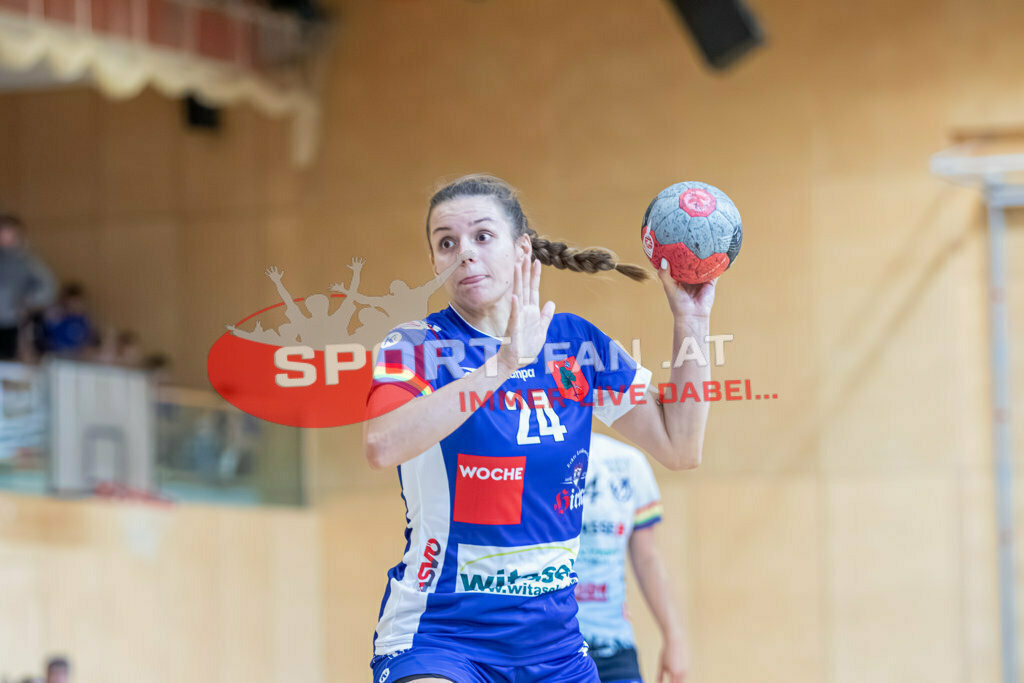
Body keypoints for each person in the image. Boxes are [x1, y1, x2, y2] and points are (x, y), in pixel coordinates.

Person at [364, 174, 716, 683]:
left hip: (554, 650)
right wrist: (504, 362)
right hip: (440, 637)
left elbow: (680, 445)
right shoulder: (414, 345)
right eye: (447, 243)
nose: (464, 253)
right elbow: (382, 444)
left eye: (482, 236)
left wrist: (691, 321)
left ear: (522, 249)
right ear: (434, 263)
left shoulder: (574, 342)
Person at [576, 433, 690, 683]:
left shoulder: (628, 462)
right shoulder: (526, 459)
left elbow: (647, 557)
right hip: (545, 647)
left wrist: (674, 637)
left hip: (614, 646)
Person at [0, 213, 57, 361]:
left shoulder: (26, 261)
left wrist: (28, 302)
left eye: (9, 233)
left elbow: (48, 288)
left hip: (14, 324)